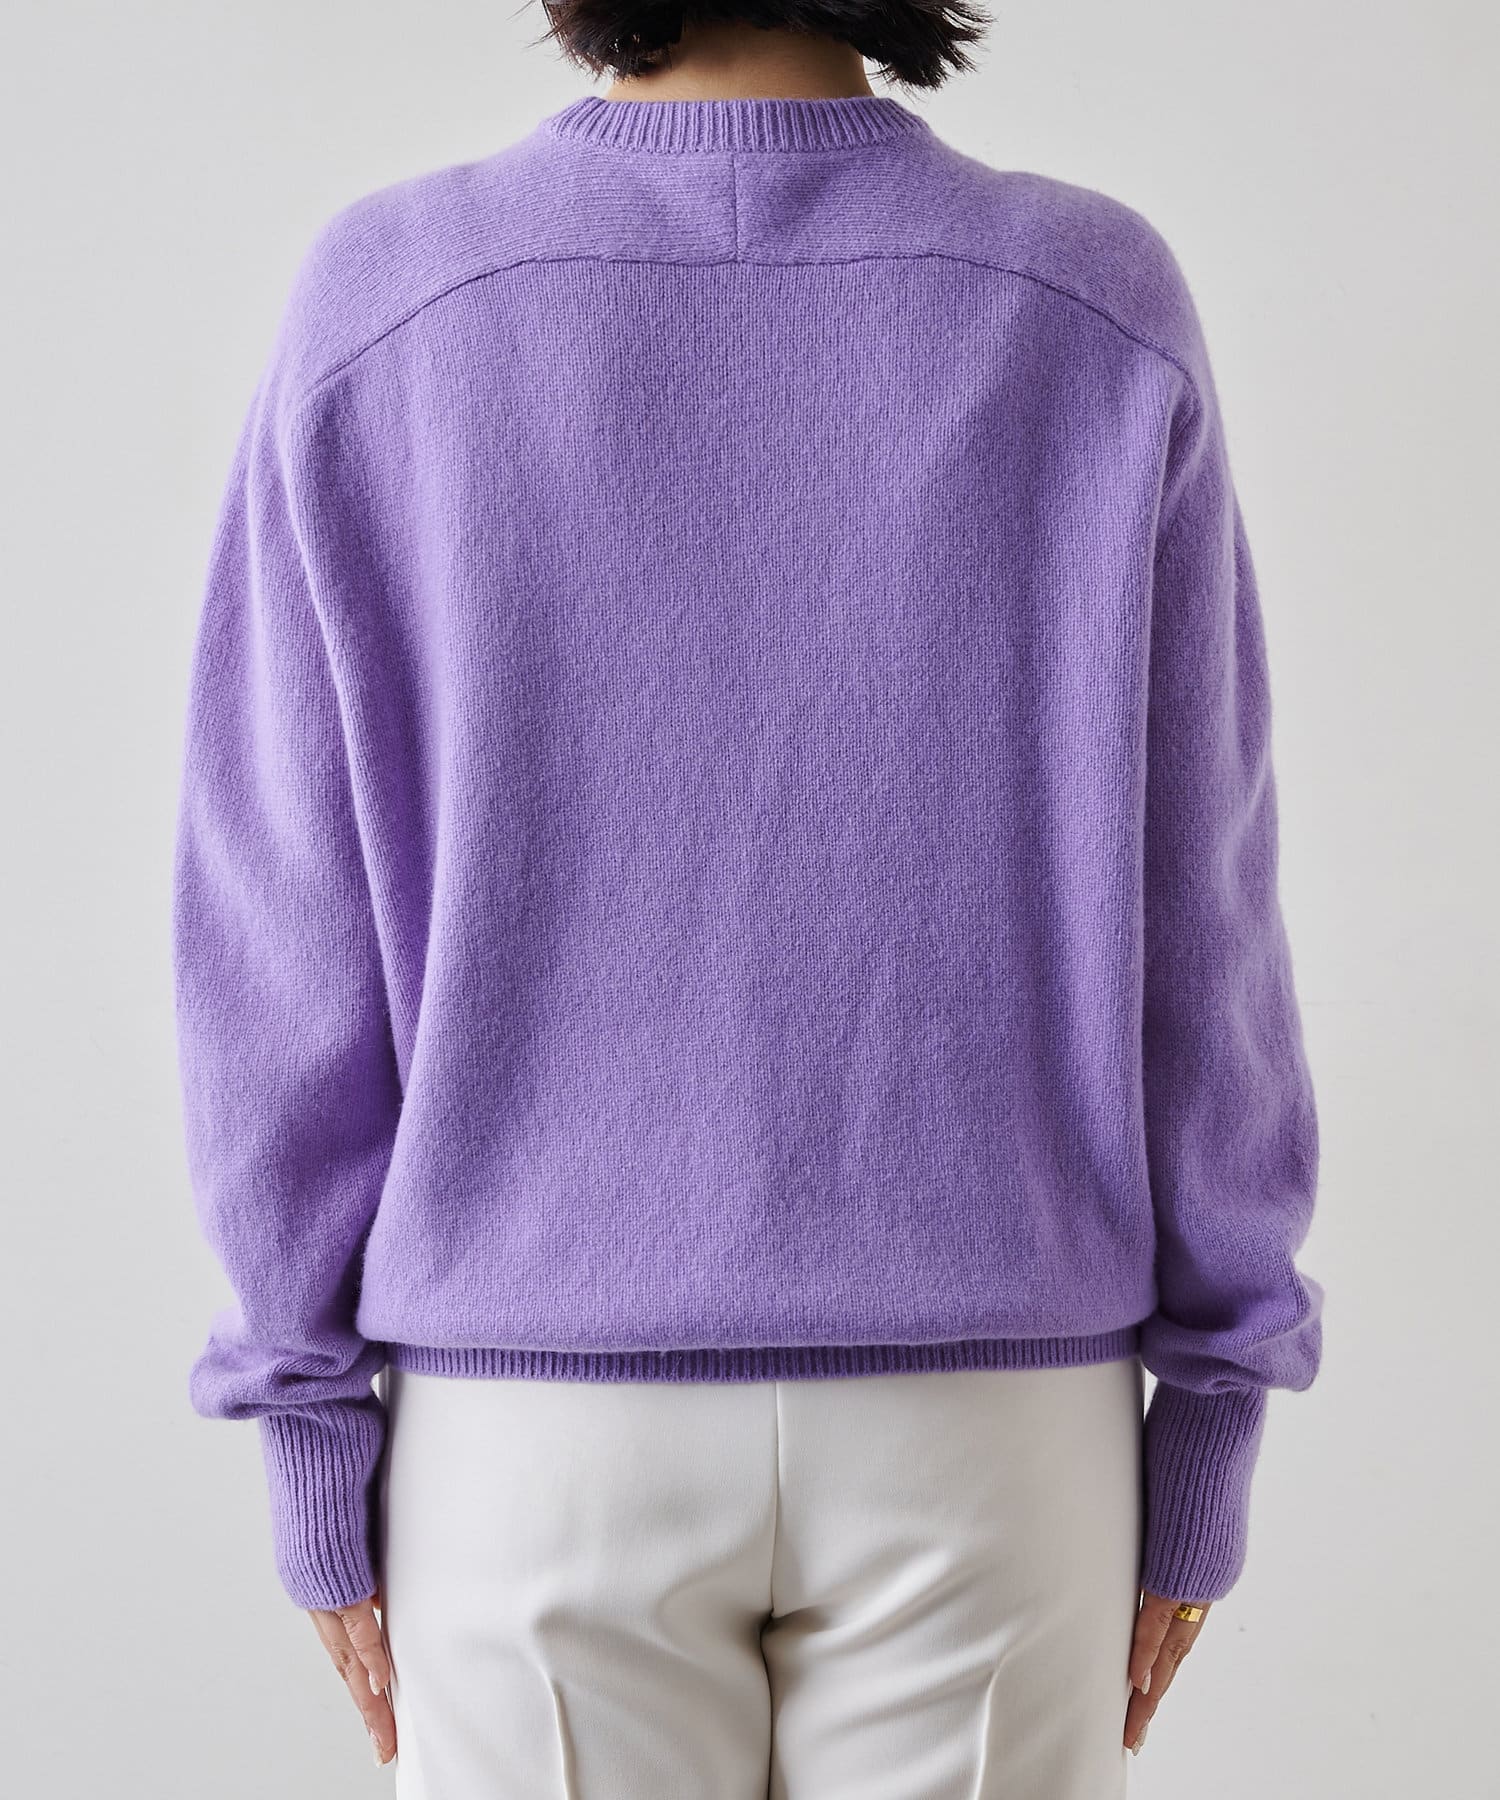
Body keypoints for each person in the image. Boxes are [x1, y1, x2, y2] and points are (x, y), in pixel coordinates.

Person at [170, 1, 1325, 1792]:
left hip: (532, 1421)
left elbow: (278, 927)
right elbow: (1208, 915)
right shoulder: (1089, 302)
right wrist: (1220, 1396)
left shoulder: (394, 299)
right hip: (995, 1416)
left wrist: (301, 1406)